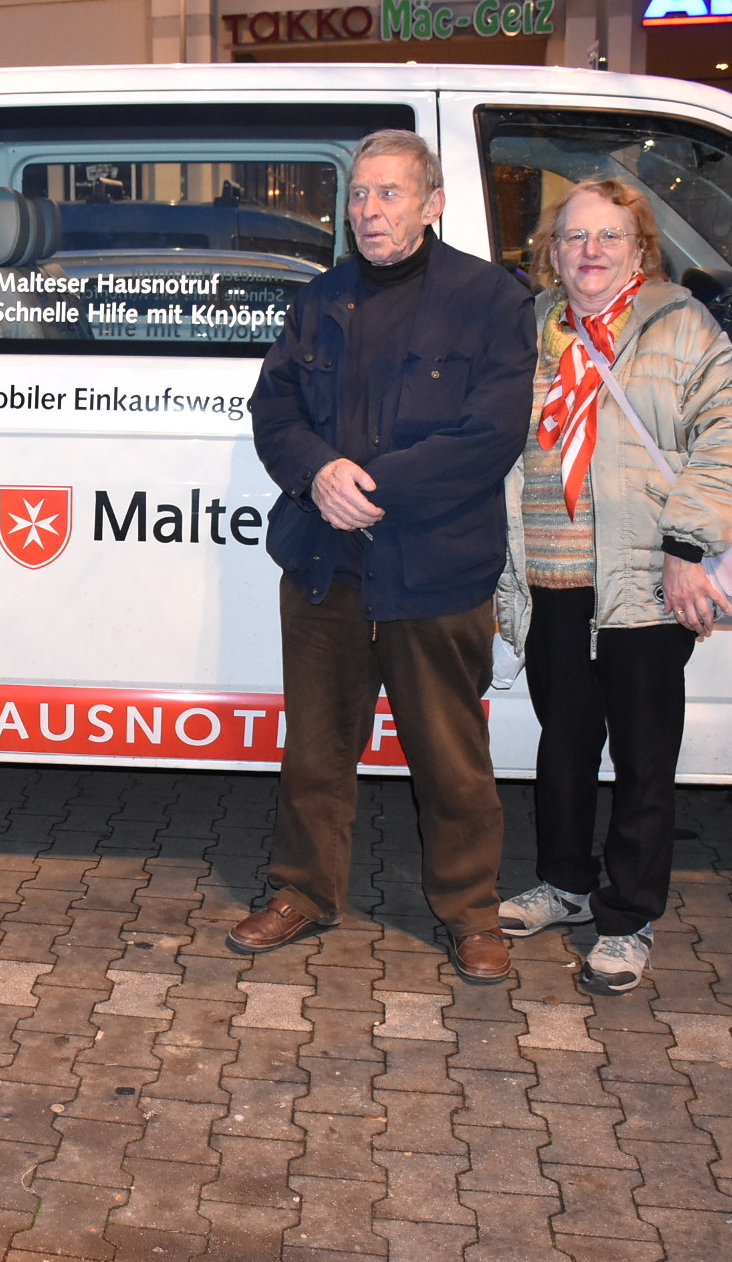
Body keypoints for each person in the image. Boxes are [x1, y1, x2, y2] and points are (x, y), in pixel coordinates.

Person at [233, 129, 535, 984]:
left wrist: (372, 485)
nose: (368, 210)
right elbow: (274, 411)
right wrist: (318, 473)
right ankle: (302, 890)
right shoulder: (320, 298)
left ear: (432, 203)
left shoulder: (490, 299)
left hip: (435, 566)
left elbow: (491, 434)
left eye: (390, 193)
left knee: (450, 757)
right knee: (315, 749)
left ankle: (470, 912)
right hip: (325, 564)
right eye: (359, 194)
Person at [494, 179, 732, 994]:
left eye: (609, 236)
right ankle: (565, 884)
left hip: (645, 582)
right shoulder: (528, 330)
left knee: (644, 758)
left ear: (640, 248)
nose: (591, 251)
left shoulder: (680, 325)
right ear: (552, 251)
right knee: (563, 743)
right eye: (575, 236)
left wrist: (687, 545)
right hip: (551, 579)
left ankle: (628, 917)